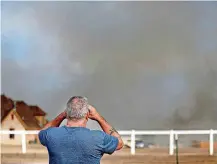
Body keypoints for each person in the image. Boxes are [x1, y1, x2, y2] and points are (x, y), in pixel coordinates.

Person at [38, 96, 124, 164]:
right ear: (87, 115)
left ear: (67, 114)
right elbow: (119, 143)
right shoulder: (99, 138)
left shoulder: (51, 135)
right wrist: (98, 117)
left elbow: (42, 133)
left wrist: (62, 115)